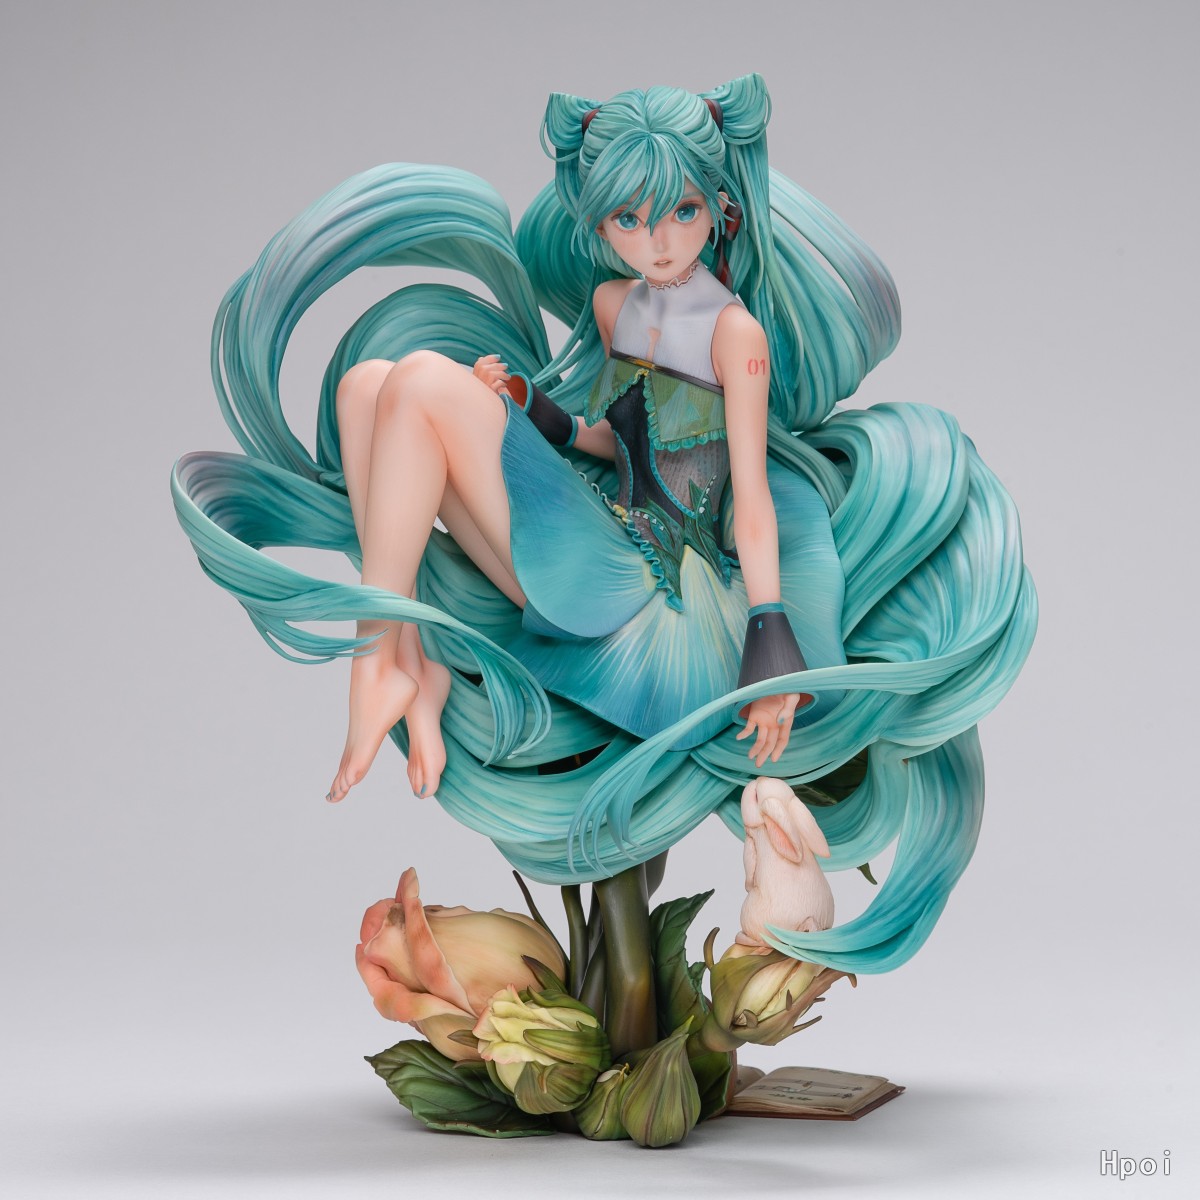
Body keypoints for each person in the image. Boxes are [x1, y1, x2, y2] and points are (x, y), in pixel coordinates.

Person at [172, 75, 1036, 975]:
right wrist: (530, 409)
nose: (658, 242)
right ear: (599, 225)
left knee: (419, 383)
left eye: (681, 213)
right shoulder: (614, 306)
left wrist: (772, 644)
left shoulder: (734, 334)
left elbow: (749, 496)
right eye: (630, 220)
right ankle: (404, 655)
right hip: (603, 529)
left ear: (721, 210)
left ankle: (378, 655)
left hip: (665, 594)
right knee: (365, 388)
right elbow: (609, 437)